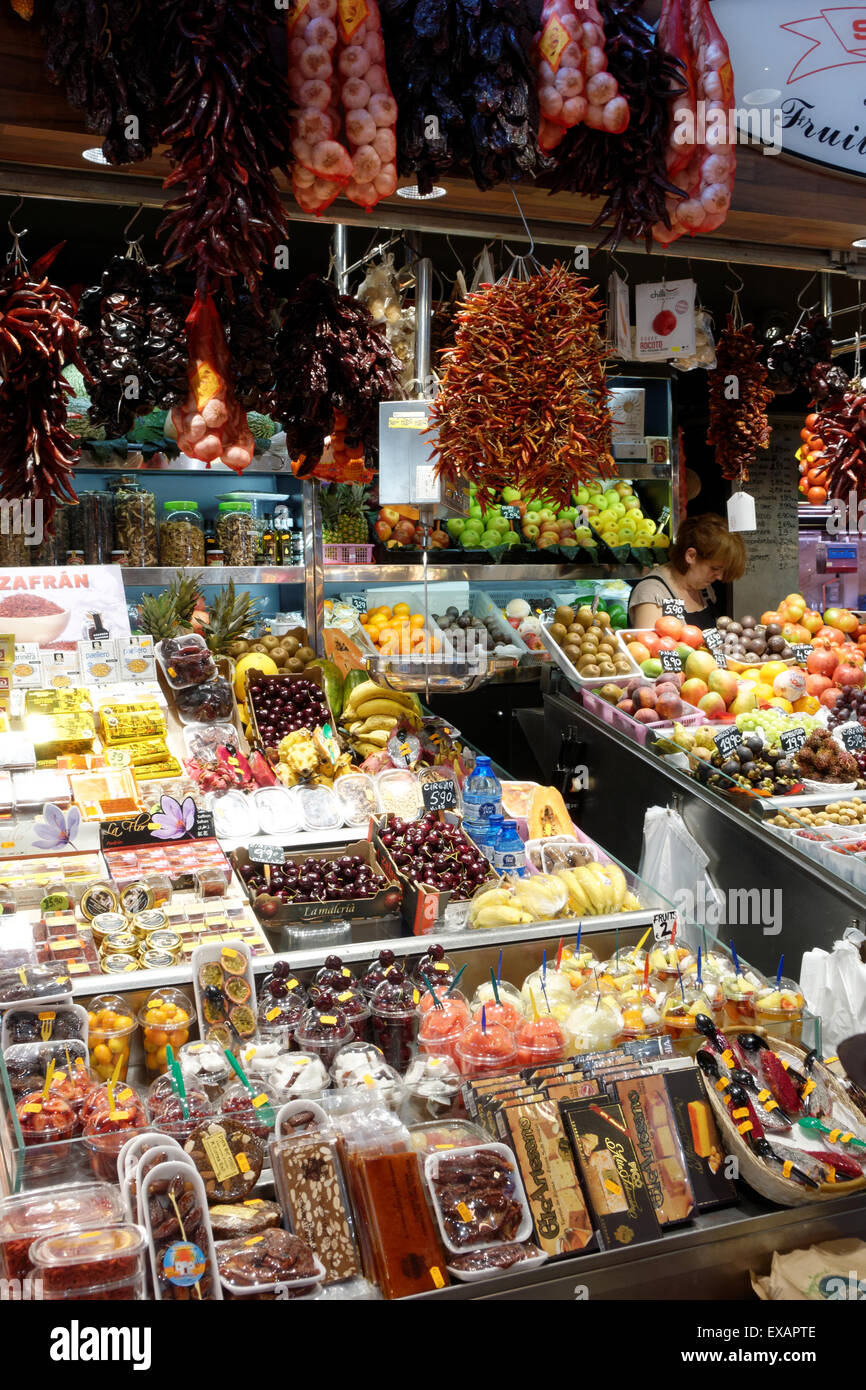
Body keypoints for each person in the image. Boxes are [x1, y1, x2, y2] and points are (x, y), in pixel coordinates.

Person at [628, 513, 746, 631]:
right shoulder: (652, 593)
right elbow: (649, 642)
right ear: (691, 556)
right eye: (714, 568)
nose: (719, 577)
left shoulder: (705, 590)